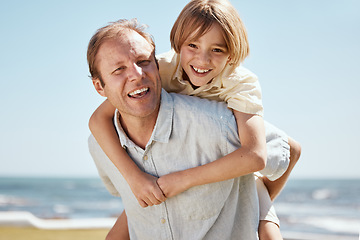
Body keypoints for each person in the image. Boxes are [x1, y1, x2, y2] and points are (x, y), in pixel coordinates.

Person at [89, 0, 301, 239]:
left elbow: (258, 154)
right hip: (177, 154)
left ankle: (259, 207)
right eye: (192, 45)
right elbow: (98, 119)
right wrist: (134, 178)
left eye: (217, 50)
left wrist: (184, 181)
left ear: (232, 54)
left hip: (241, 166)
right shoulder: (163, 69)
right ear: (178, 45)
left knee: (268, 230)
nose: (202, 60)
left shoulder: (241, 84)